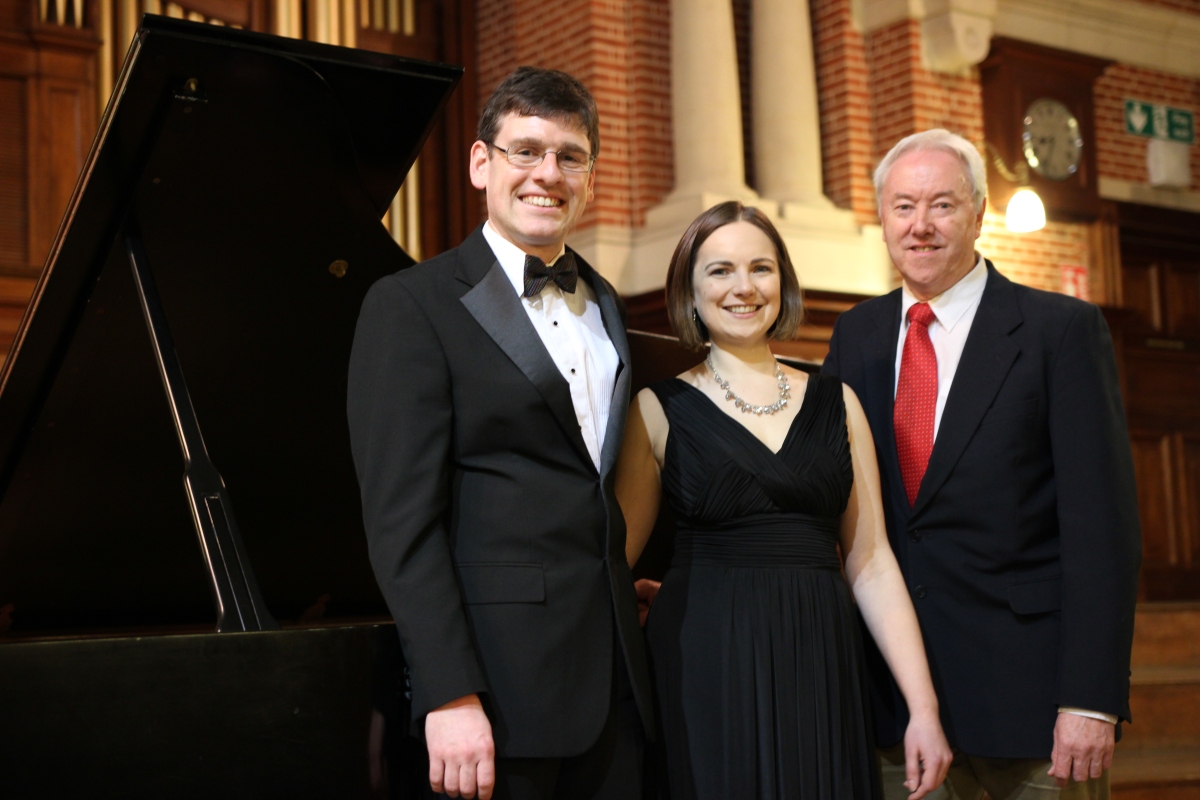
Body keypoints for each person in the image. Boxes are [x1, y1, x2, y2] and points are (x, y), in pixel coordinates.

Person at [347, 67, 654, 800]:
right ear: (482, 163)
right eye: (525, 150)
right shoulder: (411, 305)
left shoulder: (606, 302)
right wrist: (449, 694)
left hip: (615, 684)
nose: (547, 173)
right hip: (497, 696)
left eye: (569, 156)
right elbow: (402, 525)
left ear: (589, 175)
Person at [822, 129, 1142, 800]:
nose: (922, 225)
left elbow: (1101, 532)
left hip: (1032, 702)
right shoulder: (857, 335)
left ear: (979, 210)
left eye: (942, 204)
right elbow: (833, 502)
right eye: (904, 206)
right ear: (882, 219)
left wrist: (1091, 699)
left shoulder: (1060, 331)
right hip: (894, 705)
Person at [616, 200, 952, 800]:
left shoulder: (838, 403)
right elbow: (612, 562)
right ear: (689, 293)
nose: (743, 287)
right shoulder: (656, 409)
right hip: (704, 659)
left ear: (783, 282)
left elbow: (872, 563)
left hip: (819, 657)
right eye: (719, 271)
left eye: (761, 268)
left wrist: (921, 708)